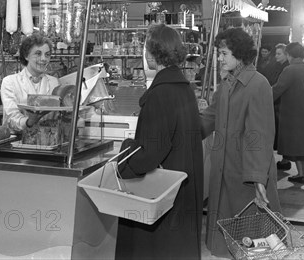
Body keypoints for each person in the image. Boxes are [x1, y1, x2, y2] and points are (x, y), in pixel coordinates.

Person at [116, 24, 203, 260]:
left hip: (162, 196)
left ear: (154, 53)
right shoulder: (183, 88)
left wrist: (121, 157)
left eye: (146, 49)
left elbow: (150, 152)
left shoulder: (160, 93)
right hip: (181, 186)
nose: (144, 54)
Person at [200, 28, 280, 258]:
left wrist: (257, 178)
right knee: (230, 237)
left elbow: (260, 134)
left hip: (246, 175)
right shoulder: (226, 85)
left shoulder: (258, 84)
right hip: (225, 172)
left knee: (253, 241)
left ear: (240, 53)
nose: (220, 58)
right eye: (219, 53)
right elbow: (209, 118)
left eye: (224, 53)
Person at [272, 42, 304, 184]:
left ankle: (300, 174)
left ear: (290, 54)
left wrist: (261, 95)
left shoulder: (289, 70)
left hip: (293, 112)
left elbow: (278, 89)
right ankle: (302, 173)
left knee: (297, 144)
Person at [0, 33, 60, 132]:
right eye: (38, 54)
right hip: (17, 141)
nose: (44, 59)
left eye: (47, 55)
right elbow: (11, 117)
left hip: (47, 139)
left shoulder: (54, 82)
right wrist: (28, 122)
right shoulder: (10, 82)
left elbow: (57, 116)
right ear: (26, 56)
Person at [266, 44, 290, 166]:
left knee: (282, 132)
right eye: (275, 53)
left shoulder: (287, 68)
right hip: (278, 103)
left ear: (287, 54)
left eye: (279, 54)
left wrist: (267, 95)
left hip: (281, 104)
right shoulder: (279, 66)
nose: (276, 56)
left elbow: (279, 87)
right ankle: (285, 159)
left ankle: (286, 160)